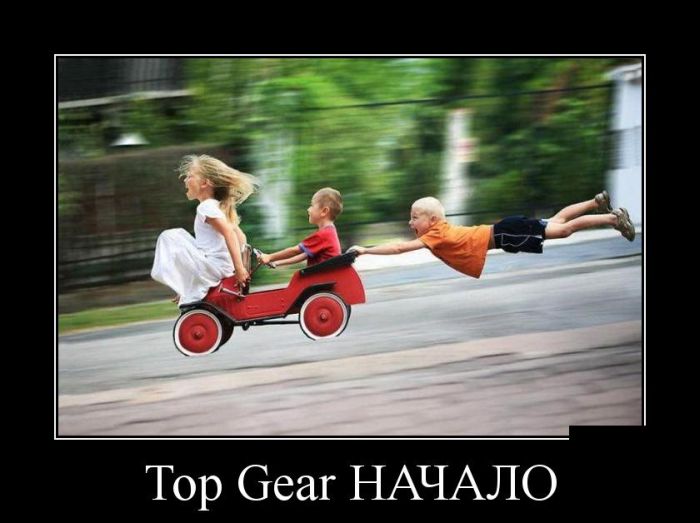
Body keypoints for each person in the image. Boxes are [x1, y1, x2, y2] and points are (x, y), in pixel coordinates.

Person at [349, 191, 635, 279]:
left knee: (564, 230)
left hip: (506, 234)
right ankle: (596, 201)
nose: (410, 222)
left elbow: (399, 248)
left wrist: (366, 249)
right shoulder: (439, 230)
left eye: (414, 217)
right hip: (505, 229)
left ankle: (612, 218)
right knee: (556, 220)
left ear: (432, 220)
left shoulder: (434, 234)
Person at [151, 154, 259, 305]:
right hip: (221, 267)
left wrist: (239, 269)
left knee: (169, 237)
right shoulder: (219, 207)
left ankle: (185, 287)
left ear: (204, 183)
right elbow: (241, 238)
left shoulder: (206, 207)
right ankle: (187, 288)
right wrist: (236, 267)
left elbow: (229, 234)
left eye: (190, 176)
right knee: (180, 238)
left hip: (214, 267)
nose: (185, 180)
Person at [257, 187, 342, 268]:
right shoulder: (329, 232)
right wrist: (276, 263)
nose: (308, 209)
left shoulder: (323, 235)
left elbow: (295, 251)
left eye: (312, 206)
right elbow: (304, 255)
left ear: (324, 211)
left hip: (320, 277)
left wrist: (269, 257)